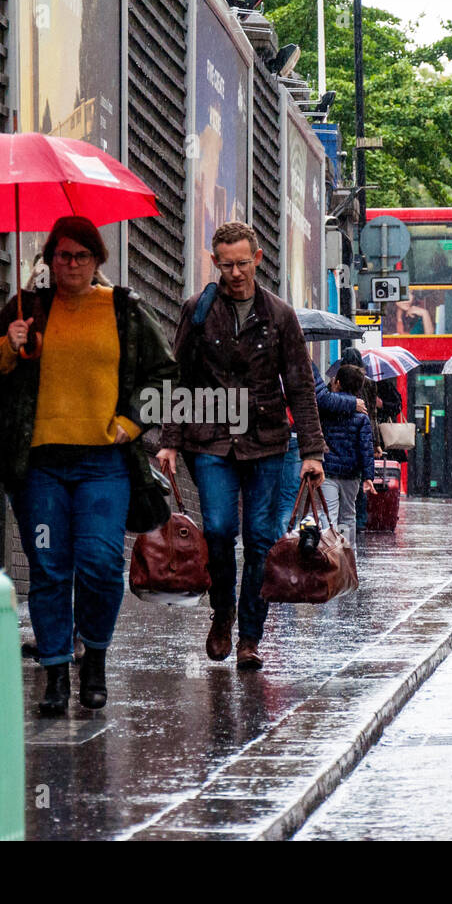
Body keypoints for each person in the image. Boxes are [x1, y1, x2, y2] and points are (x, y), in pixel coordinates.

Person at [0, 216, 176, 715]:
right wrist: (8, 346)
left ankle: (96, 658)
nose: (71, 265)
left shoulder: (124, 310)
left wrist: (132, 421)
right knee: (48, 569)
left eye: (81, 256)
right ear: (49, 259)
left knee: (102, 565)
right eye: (61, 255)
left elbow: (166, 374)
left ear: (97, 260)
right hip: (40, 466)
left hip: (103, 464)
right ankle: (55, 674)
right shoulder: (28, 311)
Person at [158, 221, 325, 671]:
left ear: (257, 259)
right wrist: (170, 442)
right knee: (216, 528)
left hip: (267, 442)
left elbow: (300, 386)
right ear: (215, 262)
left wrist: (311, 451)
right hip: (209, 440)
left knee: (260, 539)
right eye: (226, 264)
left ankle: (250, 636)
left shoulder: (280, 315)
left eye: (242, 263)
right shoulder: (197, 311)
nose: (235, 273)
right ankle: (222, 612)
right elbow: (179, 380)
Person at [277, 359, 365, 532]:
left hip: (257, 438)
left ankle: (267, 550)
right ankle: (282, 546)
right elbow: (320, 398)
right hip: (292, 433)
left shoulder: (253, 354)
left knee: (263, 499)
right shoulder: (299, 359)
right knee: (288, 498)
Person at [319, 365, 376, 542]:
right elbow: (366, 448)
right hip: (351, 475)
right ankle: (347, 554)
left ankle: (329, 556)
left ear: (337, 383)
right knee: (348, 516)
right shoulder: (362, 417)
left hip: (328, 471)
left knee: (329, 516)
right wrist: (368, 476)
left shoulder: (326, 409)